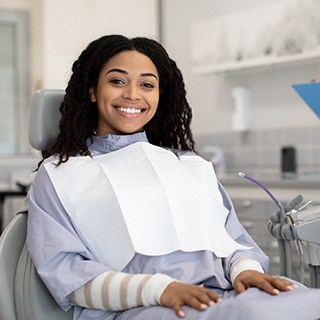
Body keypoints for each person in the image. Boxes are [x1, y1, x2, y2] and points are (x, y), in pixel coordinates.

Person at [27, 35, 320, 320]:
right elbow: (65, 271)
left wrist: (247, 271)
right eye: (117, 81)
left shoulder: (190, 165)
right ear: (92, 90)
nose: (132, 94)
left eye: (147, 84)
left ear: (159, 95)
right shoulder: (60, 174)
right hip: (140, 307)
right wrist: (160, 289)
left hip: (229, 293)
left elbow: (234, 243)